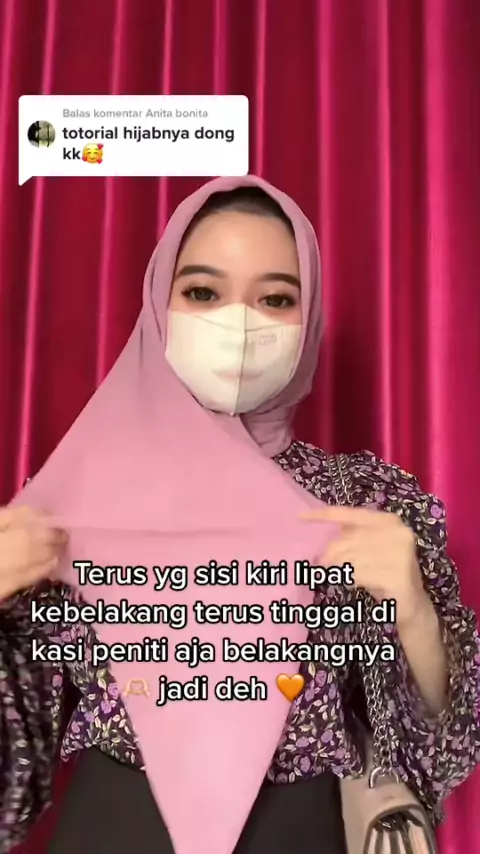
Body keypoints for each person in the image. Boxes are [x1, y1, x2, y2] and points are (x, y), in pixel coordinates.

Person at [0, 176, 478, 854]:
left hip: (302, 832)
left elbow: (442, 752)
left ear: (309, 318)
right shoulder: (73, 502)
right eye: (203, 293)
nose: (239, 324)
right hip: (114, 829)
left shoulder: (365, 499)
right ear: (158, 306)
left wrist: (415, 611)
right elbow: (14, 770)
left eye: (275, 298)